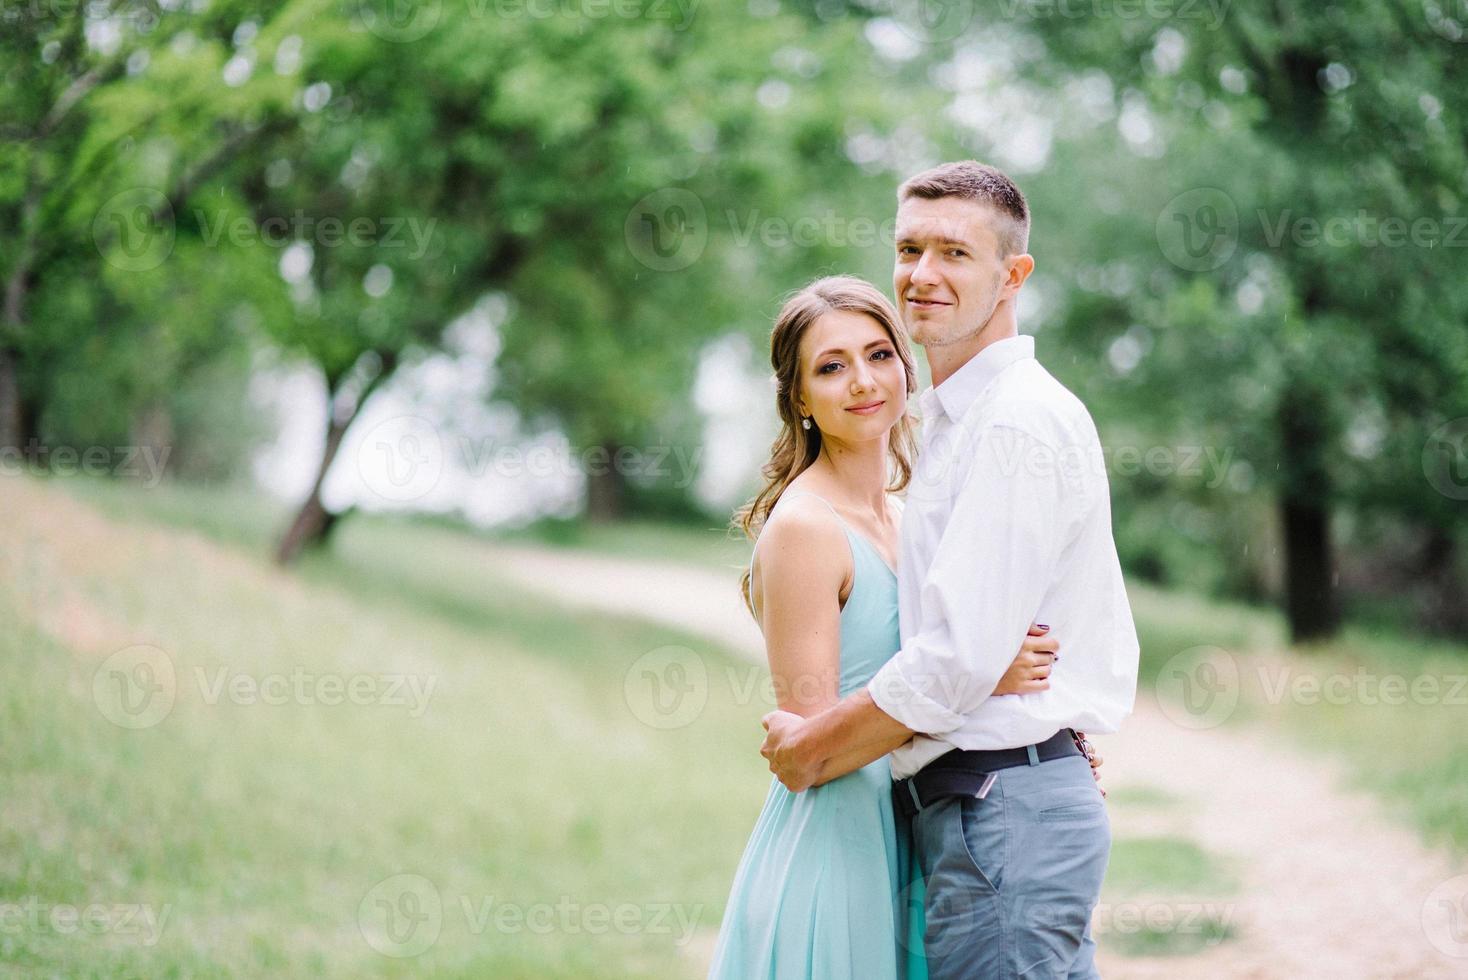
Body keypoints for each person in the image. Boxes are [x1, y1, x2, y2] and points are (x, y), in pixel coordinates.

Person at [760, 161, 1140, 979]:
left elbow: (955, 660)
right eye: (908, 249)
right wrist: (989, 675)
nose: (922, 275)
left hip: (1003, 807)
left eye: (955, 254)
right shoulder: (951, 432)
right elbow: (966, 652)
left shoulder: (1011, 425)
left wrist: (812, 749)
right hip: (978, 806)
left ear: (1013, 275)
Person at [707, 274, 1085, 979]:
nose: (862, 381)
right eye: (831, 366)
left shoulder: (910, 521)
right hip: (837, 850)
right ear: (799, 398)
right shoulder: (804, 529)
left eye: (879, 355)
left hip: (917, 832)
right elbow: (813, 745)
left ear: (906, 368)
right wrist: (975, 677)